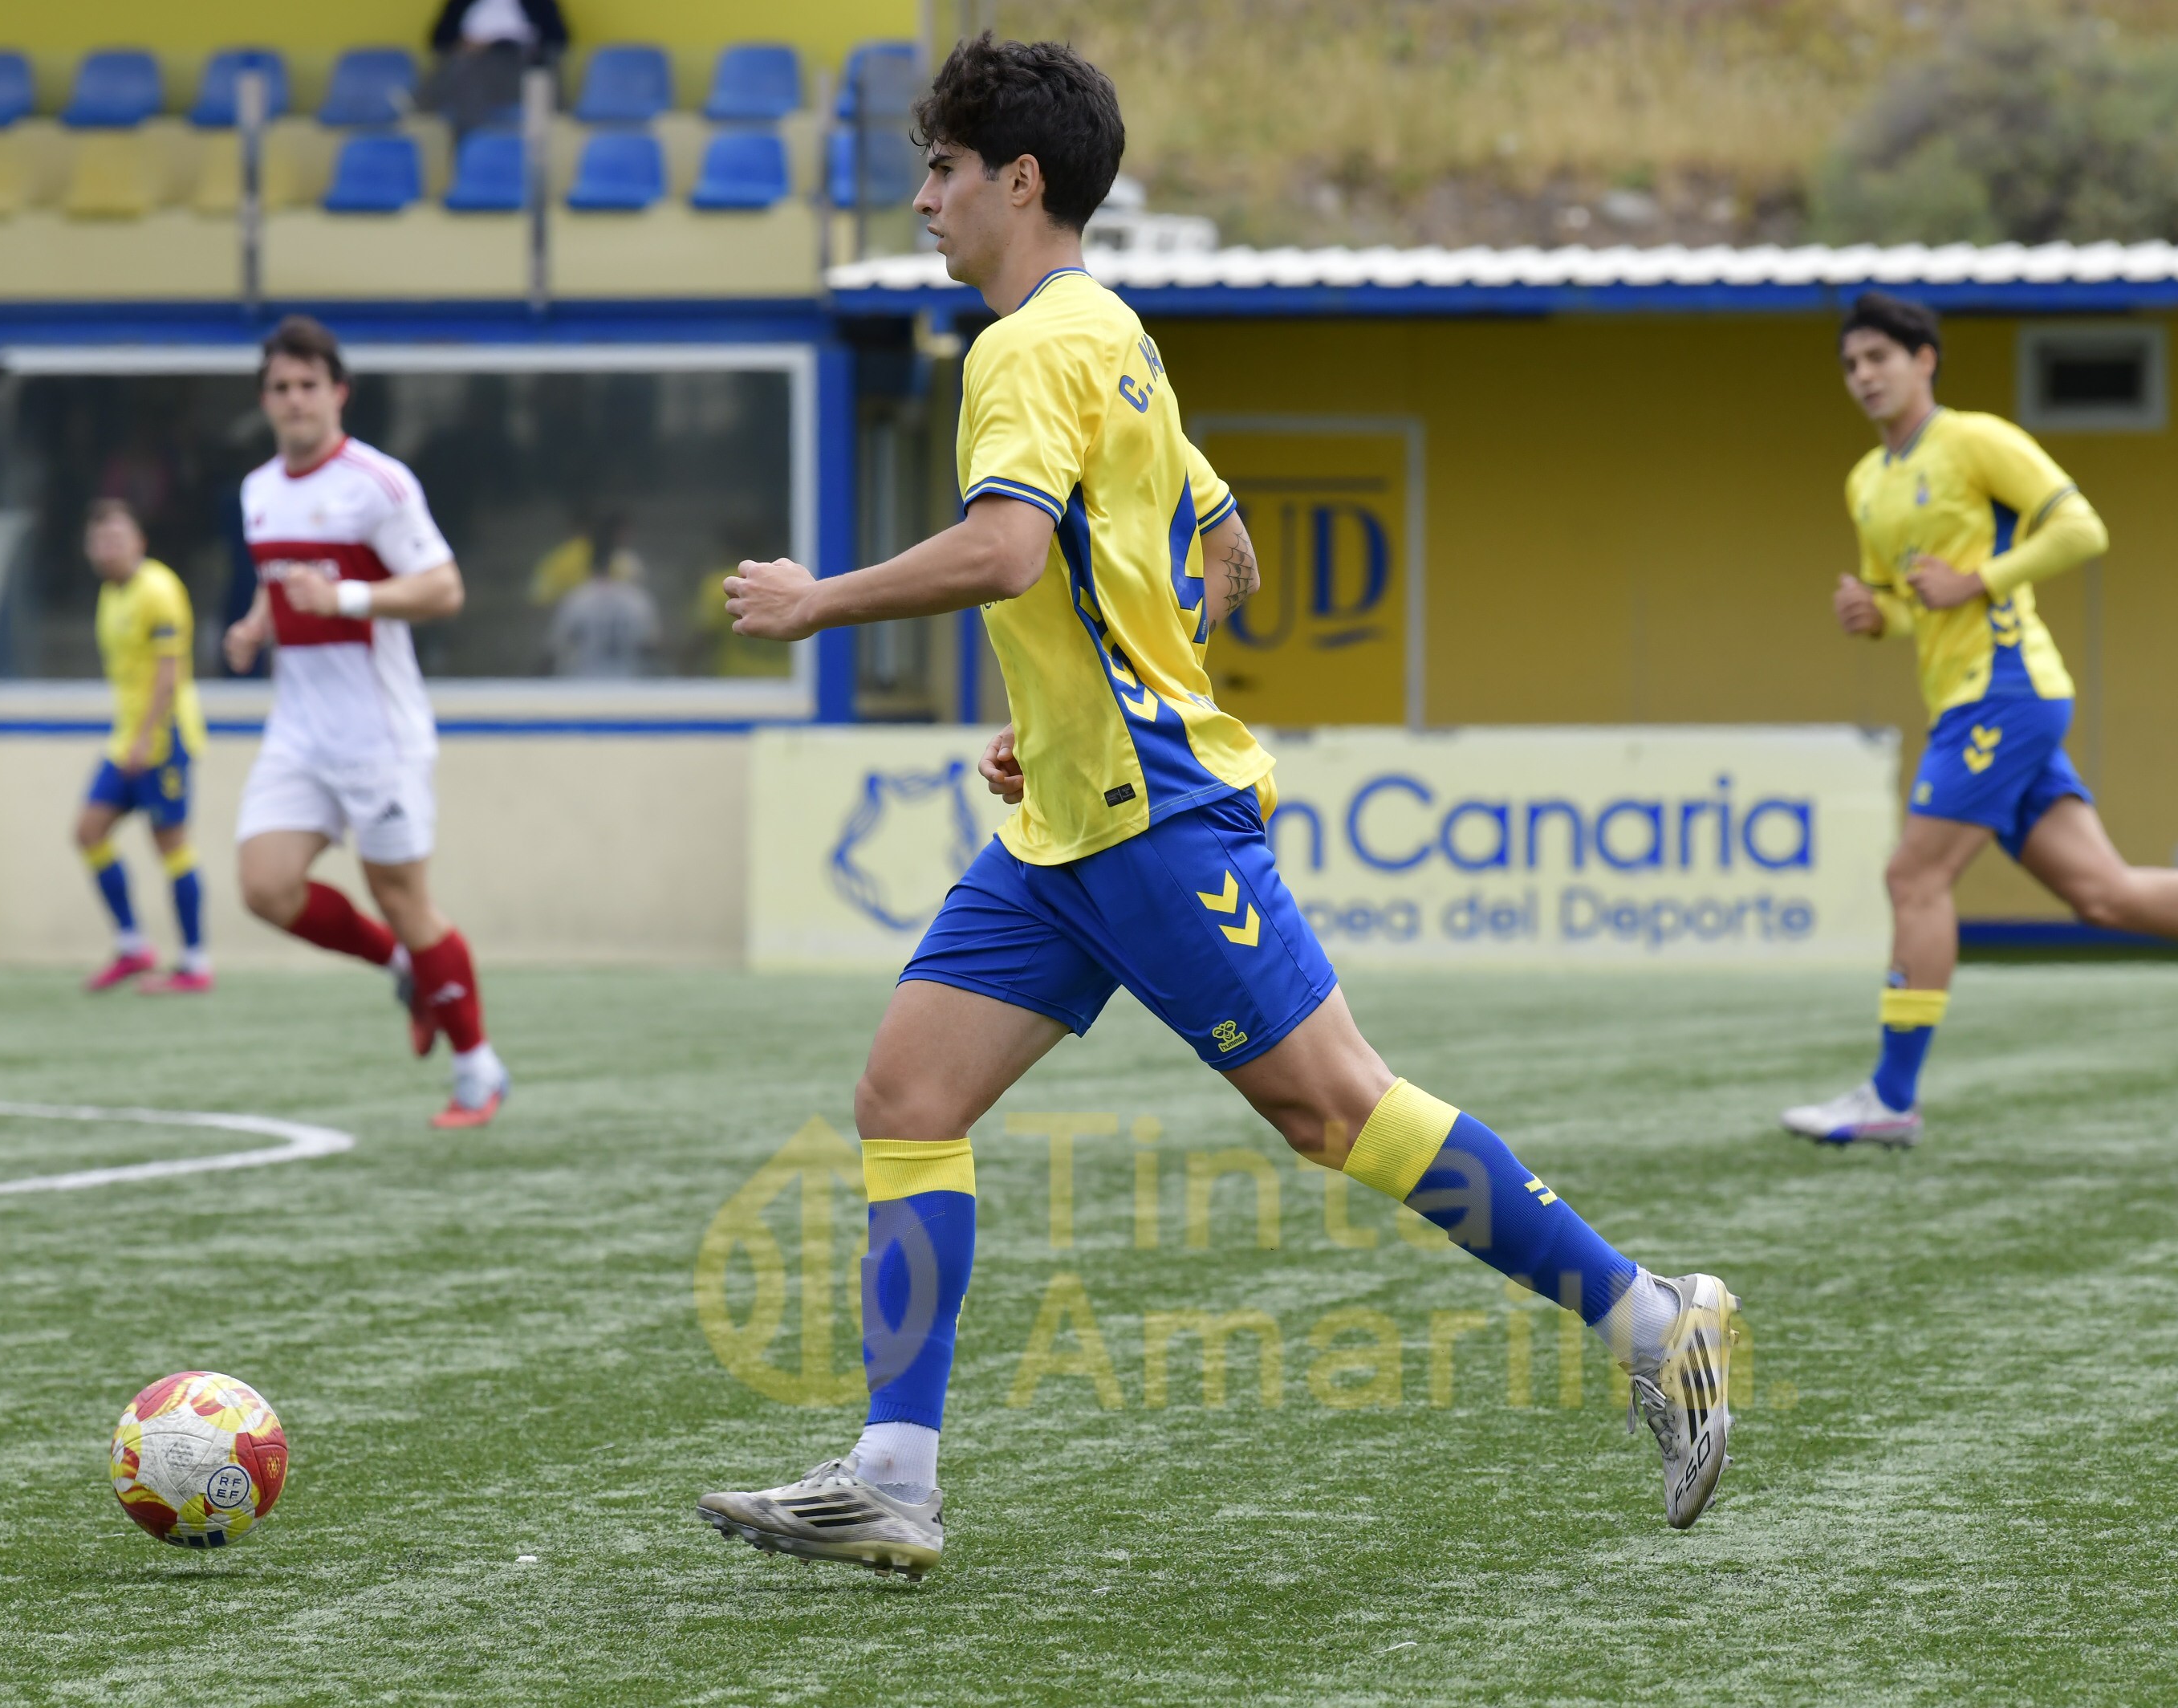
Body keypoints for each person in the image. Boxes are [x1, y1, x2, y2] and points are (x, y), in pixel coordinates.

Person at [697, 35, 1742, 1582]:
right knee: (907, 1100)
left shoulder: (1022, 350)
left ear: (1020, 181)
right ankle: (893, 1478)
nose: (924, 200)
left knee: (1337, 1107)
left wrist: (814, 600)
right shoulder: (1103, 325)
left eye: (942, 170)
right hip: (1064, 823)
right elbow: (1181, 501)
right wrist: (1182, 575)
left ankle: (1658, 1320)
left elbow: (1005, 554)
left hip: (1150, 815)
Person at [1780, 291, 2178, 1149]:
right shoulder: (1865, 483)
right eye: (1849, 364)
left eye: (1878, 356)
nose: (1862, 375)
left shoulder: (1973, 440)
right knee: (2106, 894)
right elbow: (1910, 604)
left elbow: (2080, 527)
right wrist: (1877, 617)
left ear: (1923, 360)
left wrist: (1977, 580)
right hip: (1971, 699)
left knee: (1912, 877)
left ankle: (1889, 1098)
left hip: (2006, 690)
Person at [224, 315, 510, 1130]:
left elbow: (443, 589)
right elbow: (279, 584)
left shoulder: (377, 484)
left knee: (402, 898)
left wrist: (347, 596)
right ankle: (403, 971)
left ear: (338, 393)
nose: (294, 401)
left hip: (375, 733)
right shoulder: (258, 490)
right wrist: (258, 623)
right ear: (265, 400)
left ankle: (476, 1070)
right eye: (280, 388)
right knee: (265, 886)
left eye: (309, 386)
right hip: (297, 728)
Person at [77, 498, 209, 994]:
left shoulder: (160, 591)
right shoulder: (111, 595)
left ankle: (196, 963)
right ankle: (134, 947)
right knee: (89, 831)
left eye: (117, 538)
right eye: (100, 540)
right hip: (127, 739)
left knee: (170, 846)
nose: (108, 548)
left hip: (164, 738)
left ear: (140, 542)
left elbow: (168, 676)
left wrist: (144, 739)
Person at [425, 0, 568, 136]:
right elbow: (440, 40)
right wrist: (465, 44)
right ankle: (472, 141)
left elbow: (557, 38)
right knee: (466, 74)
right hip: (474, 62)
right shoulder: (462, 3)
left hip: (520, 61)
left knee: (537, 78)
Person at [546, 516, 660, 677]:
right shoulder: (637, 599)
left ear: (589, 565)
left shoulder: (576, 599)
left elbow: (556, 647)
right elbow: (650, 646)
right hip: (628, 684)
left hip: (584, 686)